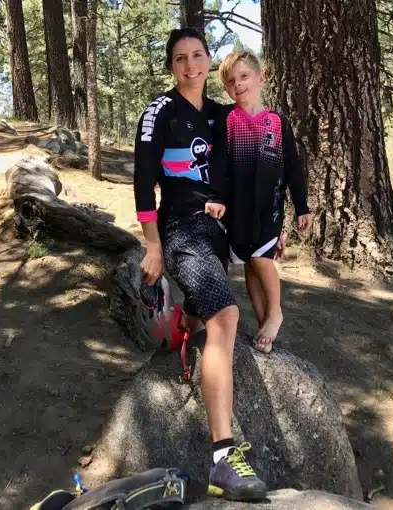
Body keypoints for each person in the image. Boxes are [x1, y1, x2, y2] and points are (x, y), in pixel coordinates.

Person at [133, 28, 267, 501]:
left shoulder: (222, 115)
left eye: (197, 56)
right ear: (172, 67)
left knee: (206, 308)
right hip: (180, 230)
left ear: (210, 61)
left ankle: (184, 327)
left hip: (218, 233)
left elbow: (257, 162)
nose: (190, 66)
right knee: (225, 316)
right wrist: (153, 246)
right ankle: (222, 460)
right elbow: (142, 182)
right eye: (180, 59)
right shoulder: (160, 112)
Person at [213, 51, 313, 355]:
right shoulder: (227, 119)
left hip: (269, 207)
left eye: (244, 76)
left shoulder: (278, 123)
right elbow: (219, 164)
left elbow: (293, 168)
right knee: (249, 263)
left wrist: (302, 207)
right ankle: (263, 321)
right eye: (231, 81)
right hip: (237, 208)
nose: (238, 84)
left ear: (262, 78)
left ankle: (276, 313)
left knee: (261, 258)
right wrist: (217, 197)